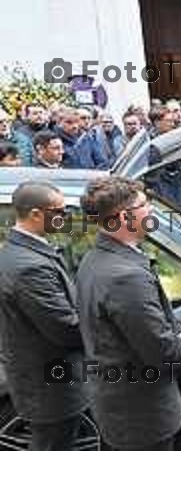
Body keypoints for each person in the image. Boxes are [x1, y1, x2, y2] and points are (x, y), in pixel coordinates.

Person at [76, 177, 181, 451]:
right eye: (145, 204)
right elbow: (163, 352)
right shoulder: (125, 276)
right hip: (141, 416)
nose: (152, 210)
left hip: (118, 406)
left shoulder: (96, 257)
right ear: (125, 217)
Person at [0, 182, 90, 449]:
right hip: (50, 385)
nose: (65, 216)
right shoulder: (29, 267)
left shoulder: (20, 252)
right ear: (36, 214)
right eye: (59, 211)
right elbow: (65, 329)